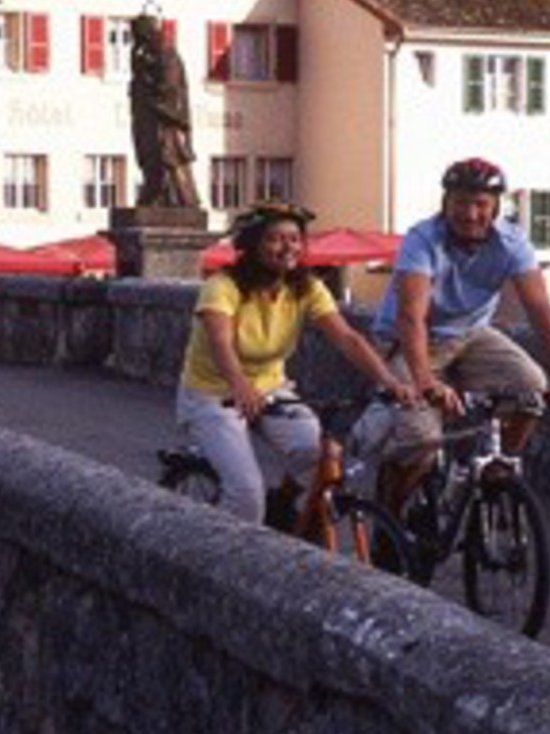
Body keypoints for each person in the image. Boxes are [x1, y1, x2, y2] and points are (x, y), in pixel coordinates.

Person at [179, 201, 418, 531]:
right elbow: (221, 343)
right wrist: (240, 385)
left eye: (294, 239)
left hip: (272, 390)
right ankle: (223, 565)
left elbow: (347, 338)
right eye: (275, 239)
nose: (287, 247)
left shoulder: (306, 288)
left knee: (319, 457)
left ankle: (283, 503)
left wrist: (389, 381)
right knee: (246, 495)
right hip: (213, 394)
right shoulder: (223, 286)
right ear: (252, 245)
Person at [364, 158, 550, 509]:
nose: (470, 214)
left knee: (531, 386)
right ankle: (390, 518)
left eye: (480, 204)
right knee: (421, 440)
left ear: (496, 206)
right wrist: (425, 382)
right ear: (445, 203)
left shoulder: (512, 242)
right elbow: (411, 317)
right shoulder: (423, 239)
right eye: (460, 203)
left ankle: (499, 469)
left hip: (470, 335)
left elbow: (541, 310)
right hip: (410, 342)